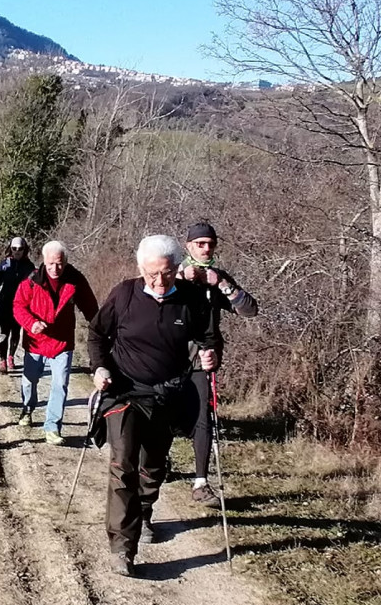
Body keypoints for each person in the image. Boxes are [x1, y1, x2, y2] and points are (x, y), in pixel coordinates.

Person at [88, 234, 219, 577]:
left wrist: (210, 355)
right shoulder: (124, 294)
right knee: (122, 465)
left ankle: (145, 508)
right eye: (151, 274)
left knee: (154, 467)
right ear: (140, 269)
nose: (159, 281)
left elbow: (209, 338)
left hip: (168, 395)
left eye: (166, 273)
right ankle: (122, 547)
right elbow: (97, 334)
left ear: (177, 267)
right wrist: (99, 368)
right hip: (125, 392)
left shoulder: (191, 298)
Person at [179, 221, 259, 506]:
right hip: (170, 357)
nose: (205, 249)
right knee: (165, 416)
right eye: (199, 244)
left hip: (205, 360)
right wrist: (179, 277)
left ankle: (201, 483)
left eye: (210, 244)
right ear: (188, 246)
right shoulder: (172, 272)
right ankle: (159, 463)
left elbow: (250, 309)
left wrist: (222, 284)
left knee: (203, 418)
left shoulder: (217, 277)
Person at [12, 240, 99, 445]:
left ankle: (52, 427)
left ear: (66, 261)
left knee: (60, 384)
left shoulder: (75, 280)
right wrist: (31, 323)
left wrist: (102, 330)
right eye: (51, 263)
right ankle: (28, 409)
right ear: (44, 261)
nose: (55, 268)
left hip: (62, 342)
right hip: (36, 341)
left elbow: (90, 307)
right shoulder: (31, 281)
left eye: (59, 263)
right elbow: (18, 306)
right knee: (29, 381)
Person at [0, 237, 35, 372]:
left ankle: (11, 357)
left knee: (16, 331)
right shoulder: (5, 264)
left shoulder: (29, 266)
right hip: (4, 303)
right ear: (10, 248)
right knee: (4, 332)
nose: (17, 251)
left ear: (24, 249)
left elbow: (34, 287)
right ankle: (3, 360)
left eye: (20, 248)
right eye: (14, 248)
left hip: (21, 304)